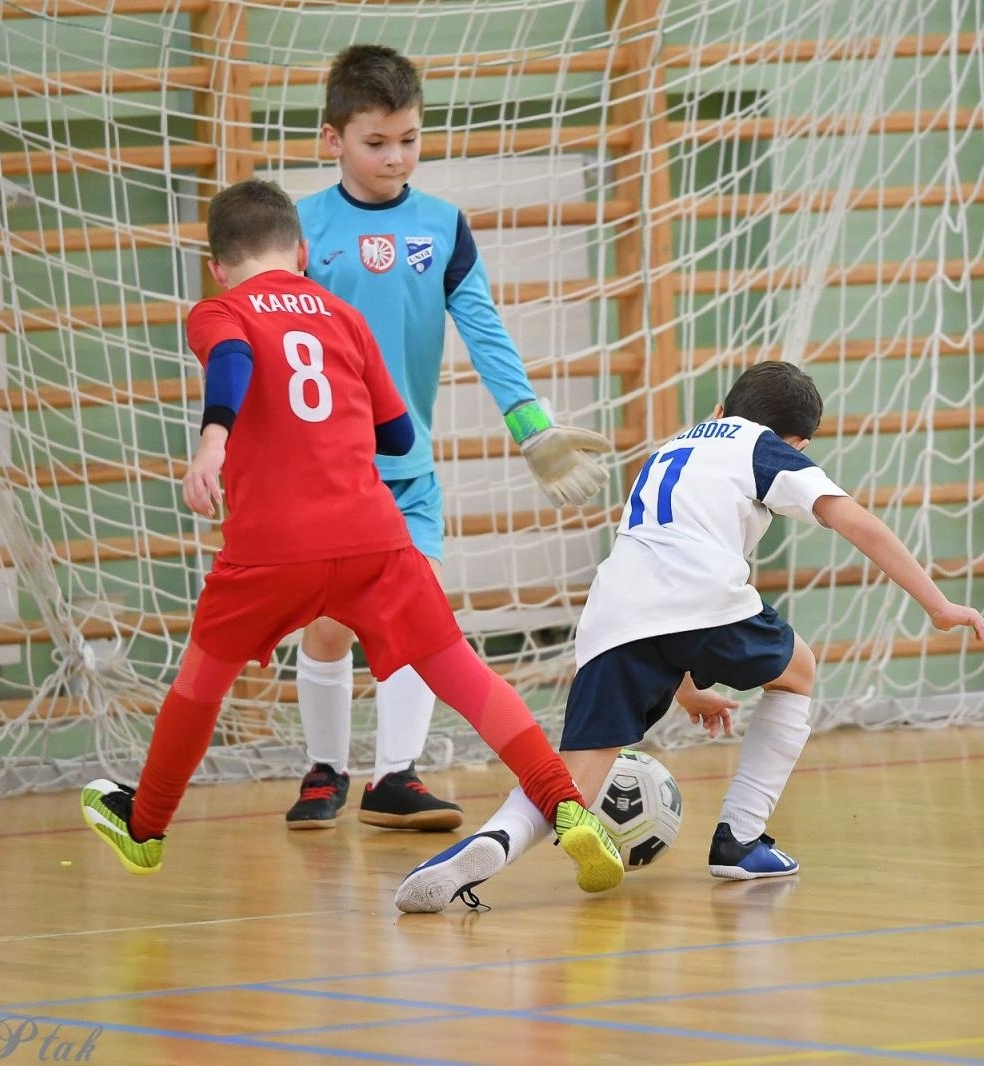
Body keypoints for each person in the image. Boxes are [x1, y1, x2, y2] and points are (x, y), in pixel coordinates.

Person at [78, 178, 622, 899]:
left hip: (268, 547)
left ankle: (146, 828)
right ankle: (569, 807)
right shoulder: (341, 314)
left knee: (201, 683)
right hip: (373, 535)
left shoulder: (219, 310)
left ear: (216, 265)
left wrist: (215, 442)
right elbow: (396, 432)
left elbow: (234, 361)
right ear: (302, 252)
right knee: (465, 675)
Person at [393, 361, 984, 912]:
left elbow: (660, 592)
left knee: (572, 781)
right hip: (702, 598)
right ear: (798, 444)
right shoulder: (762, 447)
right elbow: (855, 521)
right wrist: (939, 604)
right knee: (800, 668)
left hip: (614, 612)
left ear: (718, 409)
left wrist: (684, 688)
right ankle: (740, 836)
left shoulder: (671, 447)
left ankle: (491, 842)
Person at [284, 43, 612, 832]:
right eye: (375, 142)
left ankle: (394, 776)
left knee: (414, 613)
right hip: (323, 472)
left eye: (409, 139)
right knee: (327, 623)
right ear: (333, 140)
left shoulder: (443, 227)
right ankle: (326, 769)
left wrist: (530, 423)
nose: (395, 157)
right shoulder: (300, 230)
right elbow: (267, 345)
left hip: (407, 467)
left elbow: (485, 330)